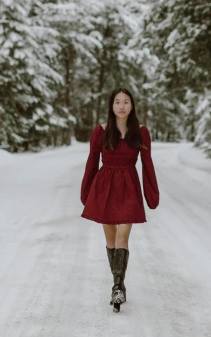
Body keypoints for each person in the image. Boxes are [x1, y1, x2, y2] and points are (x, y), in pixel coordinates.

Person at [80, 87, 160, 312]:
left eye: (126, 101)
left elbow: (147, 163)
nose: (122, 106)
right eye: (117, 102)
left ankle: (116, 286)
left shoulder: (141, 132)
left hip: (128, 188)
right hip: (104, 187)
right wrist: (86, 192)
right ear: (111, 106)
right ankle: (120, 286)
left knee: (123, 238)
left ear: (132, 105)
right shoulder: (101, 131)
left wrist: (151, 193)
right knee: (111, 240)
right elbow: (92, 162)